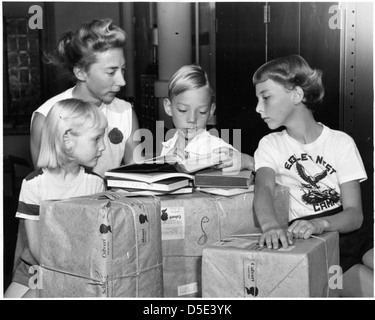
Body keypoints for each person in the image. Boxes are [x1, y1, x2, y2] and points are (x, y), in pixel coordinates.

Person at [252, 55, 373, 297]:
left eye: (266, 97)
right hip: (320, 245)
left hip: (354, 232)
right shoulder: (270, 145)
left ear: (296, 95)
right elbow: (263, 188)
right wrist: (271, 226)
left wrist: (321, 223)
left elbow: (355, 215)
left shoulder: (340, 142)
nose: (257, 107)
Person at [5, 98, 108, 298]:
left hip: (82, 269)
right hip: (37, 267)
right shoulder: (33, 185)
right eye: (96, 139)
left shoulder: (96, 185)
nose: (103, 147)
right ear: (67, 139)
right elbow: (35, 246)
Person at [30, 18, 140, 177]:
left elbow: (138, 176)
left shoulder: (125, 112)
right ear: (80, 72)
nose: (122, 81)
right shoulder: (46, 117)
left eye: (122, 70)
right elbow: (45, 188)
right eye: (110, 72)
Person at [161, 64, 254, 173]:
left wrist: (248, 161)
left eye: (202, 112)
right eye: (183, 110)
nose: (192, 119)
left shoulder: (219, 149)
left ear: (210, 111)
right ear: (168, 108)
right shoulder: (168, 147)